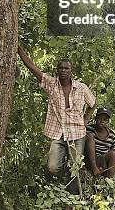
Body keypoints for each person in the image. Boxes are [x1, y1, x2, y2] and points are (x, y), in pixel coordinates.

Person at [18, 44, 96, 195]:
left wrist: (85, 120)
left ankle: (71, 200)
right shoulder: (52, 84)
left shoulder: (81, 87)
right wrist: (19, 47)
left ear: (71, 71)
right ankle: (62, 180)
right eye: (61, 68)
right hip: (58, 133)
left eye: (66, 68)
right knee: (52, 167)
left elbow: (93, 103)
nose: (63, 71)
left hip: (77, 133)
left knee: (75, 168)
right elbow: (32, 67)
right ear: (57, 70)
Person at [86, 107, 115, 178]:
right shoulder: (88, 129)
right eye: (99, 118)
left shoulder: (111, 135)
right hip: (88, 158)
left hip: (102, 160)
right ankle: (94, 169)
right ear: (95, 119)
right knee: (90, 137)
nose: (102, 121)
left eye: (105, 119)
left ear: (108, 121)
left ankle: (109, 181)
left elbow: (113, 149)